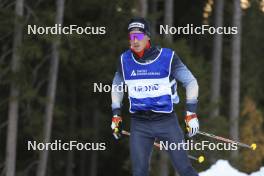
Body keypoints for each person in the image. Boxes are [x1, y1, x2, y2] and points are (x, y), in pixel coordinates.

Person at [111, 17, 199, 176]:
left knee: (184, 169)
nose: (135, 40)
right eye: (131, 36)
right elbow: (117, 86)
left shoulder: (167, 57)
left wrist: (191, 113)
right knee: (139, 172)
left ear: (148, 37)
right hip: (140, 124)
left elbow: (191, 82)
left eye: (138, 36)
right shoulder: (125, 60)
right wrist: (116, 115)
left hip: (166, 121)